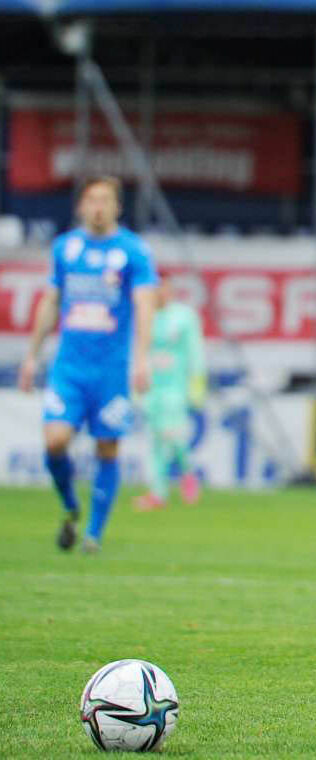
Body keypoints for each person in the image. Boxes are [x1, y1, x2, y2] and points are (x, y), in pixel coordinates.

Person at [18, 176, 157, 553]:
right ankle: (70, 505)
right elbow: (51, 301)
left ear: (118, 207)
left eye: (105, 200)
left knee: (107, 448)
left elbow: (145, 305)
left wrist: (141, 359)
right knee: (55, 440)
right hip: (69, 369)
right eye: (92, 199)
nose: (98, 206)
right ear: (80, 205)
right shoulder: (66, 248)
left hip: (111, 370)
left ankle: (94, 534)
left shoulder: (133, 251)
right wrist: (31, 356)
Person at [135, 269, 205, 510]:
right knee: (157, 439)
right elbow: (138, 351)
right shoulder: (145, 316)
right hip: (152, 387)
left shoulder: (184, 317)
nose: (161, 293)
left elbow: (195, 352)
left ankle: (187, 473)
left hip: (176, 387)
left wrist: (197, 386)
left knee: (173, 436)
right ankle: (159, 493)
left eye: (164, 287)